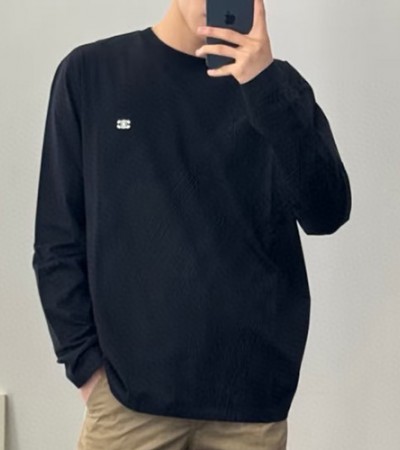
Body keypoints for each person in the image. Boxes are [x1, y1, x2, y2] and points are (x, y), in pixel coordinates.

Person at [31, 0, 352, 449]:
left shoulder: (277, 88)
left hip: (250, 409)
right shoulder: (91, 73)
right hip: (128, 405)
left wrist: (262, 85)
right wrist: (85, 367)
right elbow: (58, 238)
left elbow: (326, 213)